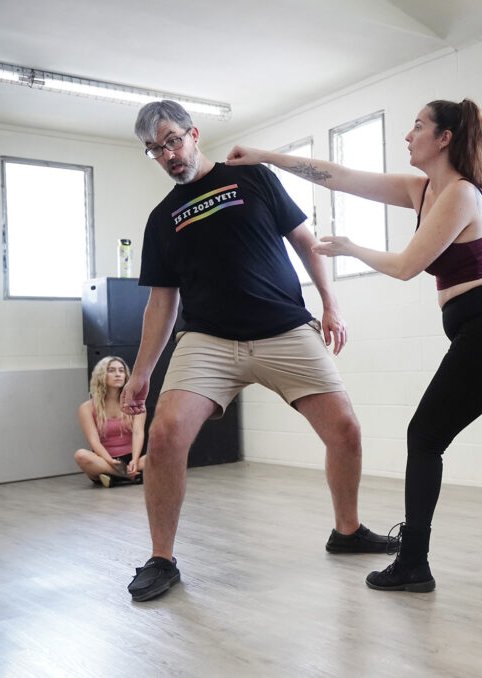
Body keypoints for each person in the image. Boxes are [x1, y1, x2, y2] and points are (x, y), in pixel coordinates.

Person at [226, 98, 482, 593]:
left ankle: (413, 563)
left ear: (444, 138)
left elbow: (406, 267)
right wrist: (268, 157)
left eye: (418, 126)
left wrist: (352, 248)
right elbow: (338, 175)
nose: (408, 135)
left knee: (424, 437)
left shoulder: (463, 194)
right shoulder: (422, 190)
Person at [122, 100, 398, 602]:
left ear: (193, 133)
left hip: (283, 327)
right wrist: (142, 373)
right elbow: (162, 303)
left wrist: (331, 304)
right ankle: (161, 559)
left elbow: (305, 241)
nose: (167, 155)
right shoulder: (162, 220)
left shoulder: (252, 178)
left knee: (346, 429)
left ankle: (348, 531)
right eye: (154, 150)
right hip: (206, 339)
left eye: (172, 141)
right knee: (162, 438)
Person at [75, 356, 146, 487]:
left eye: (121, 370)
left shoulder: (136, 404)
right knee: (81, 455)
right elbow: (94, 441)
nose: (118, 374)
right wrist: (110, 462)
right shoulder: (86, 408)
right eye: (112, 370)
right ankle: (127, 476)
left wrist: (135, 460)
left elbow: (138, 433)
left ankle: (115, 477)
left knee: (161, 452)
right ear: (101, 375)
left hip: (132, 460)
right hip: (104, 460)